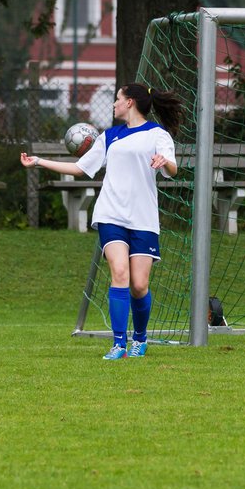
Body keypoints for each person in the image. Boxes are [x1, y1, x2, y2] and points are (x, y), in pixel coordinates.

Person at [21, 83, 183, 360]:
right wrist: (39, 161)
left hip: (143, 218)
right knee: (119, 274)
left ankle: (139, 340)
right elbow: (80, 168)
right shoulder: (109, 136)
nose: (113, 104)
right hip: (111, 214)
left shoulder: (157, 134)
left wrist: (163, 161)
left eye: (117, 99)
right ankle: (119, 344)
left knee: (139, 285)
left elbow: (173, 169)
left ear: (130, 102)